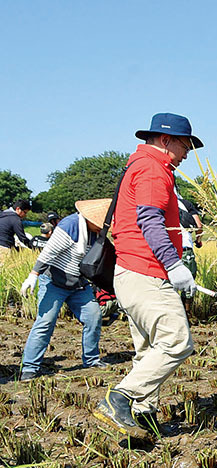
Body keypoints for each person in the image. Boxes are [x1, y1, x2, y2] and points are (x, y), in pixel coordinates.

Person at [93, 112, 202, 438]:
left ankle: (142, 416)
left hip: (131, 273)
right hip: (146, 273)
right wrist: (173, 265)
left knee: (148, 350)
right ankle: (119, 399)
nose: (187, 155)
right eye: (185, 146)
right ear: (166, 141)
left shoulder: (137, 165)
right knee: (177, 341)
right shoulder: (154, 169)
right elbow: (150, 222)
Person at [18, 199, 109, 380]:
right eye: (98, 224)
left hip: (79, 284)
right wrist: (33, 274)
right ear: (89, 218)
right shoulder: (70, 225)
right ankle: (29, 367)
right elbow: (49, 252)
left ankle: (91, 359)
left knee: (94, 316)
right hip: (54, 282)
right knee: (45, 323)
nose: (101, 229)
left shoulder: (97, 233)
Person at [176, 194, 203, 311]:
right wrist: (198, 241)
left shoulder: (159, 203)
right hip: (185, 248)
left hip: (165, 248)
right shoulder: (185, 204)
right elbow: (199, 226)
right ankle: (186, 313)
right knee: (188, 280)